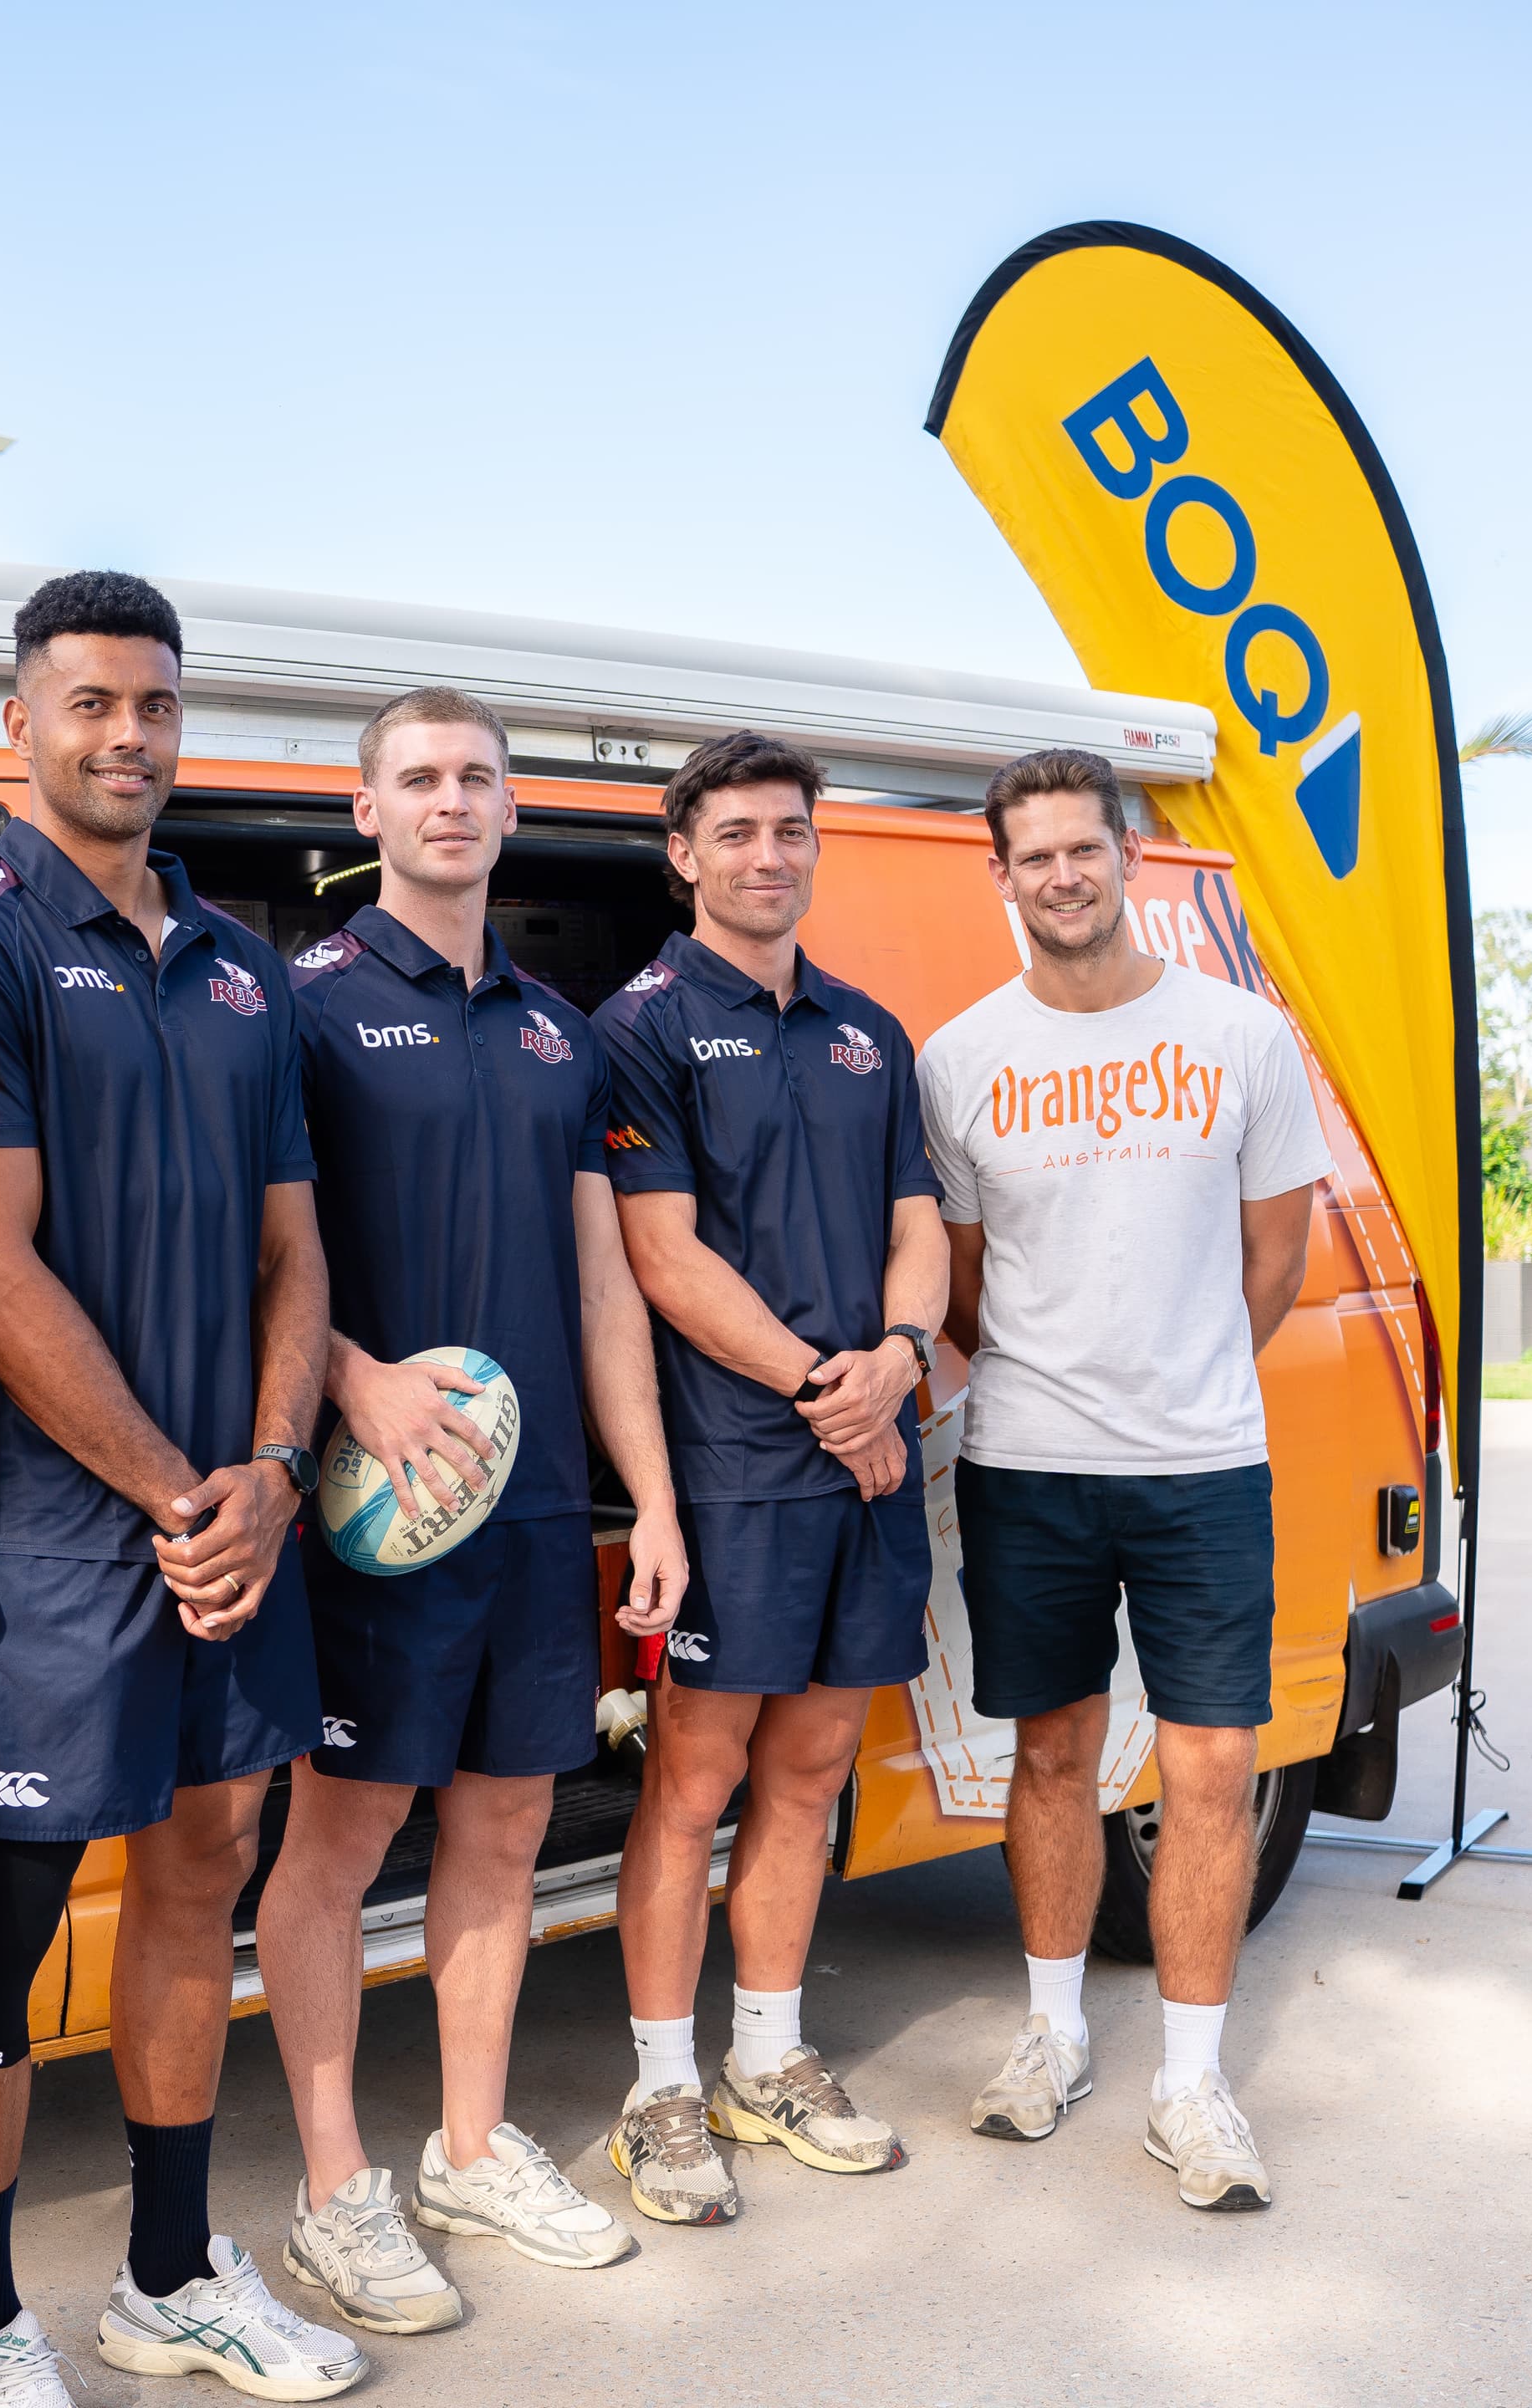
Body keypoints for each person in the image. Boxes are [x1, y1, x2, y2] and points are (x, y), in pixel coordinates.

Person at [0, 571, 362, 2405]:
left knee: (203, 1866)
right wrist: (183, 1495)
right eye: (88, 703)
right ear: (19, 722)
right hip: (63, 1540)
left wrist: (262, 1472)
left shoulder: (242, 967)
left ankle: (171, 2277)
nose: (128, 737)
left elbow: (294, 1260)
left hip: (232, 1518)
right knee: (7, 1920)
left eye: (155, 705)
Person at [253, 686, 690, 2333]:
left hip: (522, 1521)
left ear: (513, 812)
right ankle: (330, 2185)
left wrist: (642, 1497)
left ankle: (463, 2144)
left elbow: (601, 1288)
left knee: (507, 1819)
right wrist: (353, 1375)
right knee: (343, 1833)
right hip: (372, 1512)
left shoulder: (559, 1034)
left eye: (478, 780)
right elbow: (249, 1251)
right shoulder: (291, 1010)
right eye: (418, 779)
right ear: (362, 813)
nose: (451, 802)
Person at [919, 748, 1330, 2212]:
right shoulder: (960, 1057)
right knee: (1050, 1760)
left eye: (1085, 849)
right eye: (1034, 857)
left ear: (1127, 857)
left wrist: (1184, 1369)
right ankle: (1052, 2034)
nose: (1064, 876)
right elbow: (963, 1289)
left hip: (1204, 1465)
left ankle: (1192, 2081)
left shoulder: (1241, 1037)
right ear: (1004, 877)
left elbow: (1275, 1260)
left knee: (1215, 1765)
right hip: (1030, 1464)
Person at [590, 727, 947, 2226]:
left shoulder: (872, 1033)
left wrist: (901, 1359)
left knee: (813, 1772)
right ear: (683, 855)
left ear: (816, 846)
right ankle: (660, 2085)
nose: (764, 856)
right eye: (732, 833)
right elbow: (662, 1258)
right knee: (694, 1778)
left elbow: (920, 1227)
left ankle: (768, 2056)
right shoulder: (642, 1027)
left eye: (789, 831)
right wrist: (825, 1388)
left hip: (864, 1466)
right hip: (737, 1469)